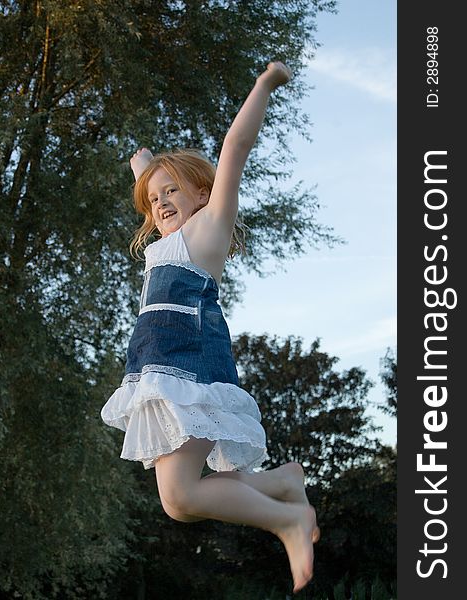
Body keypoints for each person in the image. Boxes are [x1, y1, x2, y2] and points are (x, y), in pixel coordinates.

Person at [100, 61, 320, 594]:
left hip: (190, 365)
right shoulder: (165, 241)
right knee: (179, 501)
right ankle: (283, 485)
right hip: (158, 368)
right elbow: (160, 196)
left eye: (174, 192)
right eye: (154, 201)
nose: (162, 202)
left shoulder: (210, 227)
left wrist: (263, 83)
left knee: (182, 498)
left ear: (204, 193)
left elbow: (235, 147)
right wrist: (148, 171)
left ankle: (286, 517)